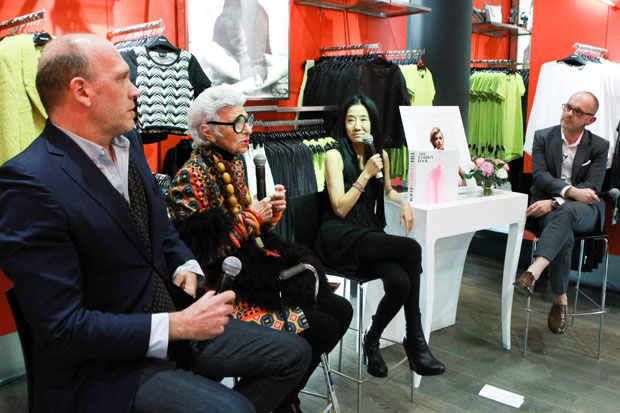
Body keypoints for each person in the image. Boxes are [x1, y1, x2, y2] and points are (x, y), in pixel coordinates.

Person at [0, 34, 311, 413]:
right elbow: (63, 328)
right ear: (81, 91)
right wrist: (176, 326)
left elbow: (157, 223)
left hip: (173, 321)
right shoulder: (30, 182)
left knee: (295, 352)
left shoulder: (126, 140)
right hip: (107, 368)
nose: (135, 91)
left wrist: (184, 263)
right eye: (122, 79)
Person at [167, 85, 353, 413]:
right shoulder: (188, 179)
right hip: (221, 290)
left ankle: (282, 395)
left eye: (247, 119)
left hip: (253, 272)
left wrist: (269, 215)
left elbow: (247, 230)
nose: (248, 128)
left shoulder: (233, 164)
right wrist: (253, 217)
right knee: (322, 325)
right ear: (208, 131)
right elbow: (198, 257)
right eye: (237, 123)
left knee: (340, 309)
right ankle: (274, 399)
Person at [315, 94, 445, 378]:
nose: (356, 126)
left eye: (363, 119)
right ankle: (415, 339)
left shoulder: (380, 154)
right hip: (339, 237)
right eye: (350, 120)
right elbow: (339, 208)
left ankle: (371, 339)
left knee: (400, 282)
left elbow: (386, 191)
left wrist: (405, 201)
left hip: (367, 234)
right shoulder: (334, 155)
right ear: (343, 124)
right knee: (411, 249)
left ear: (372, 122)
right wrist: (364, 175)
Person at [514, 91, 609, 334]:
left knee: (564, 214)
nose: (569, 113)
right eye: (568, 106)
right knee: (563, 234)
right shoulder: (543, 137)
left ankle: (534, 271)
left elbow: (592, 190)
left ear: (590, 120)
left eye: (578, 111)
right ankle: (560, 301)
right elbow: (540, 176)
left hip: (585, 211)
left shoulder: (599, 146)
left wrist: (556, 202)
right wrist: (568, 193)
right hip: (549, 209)